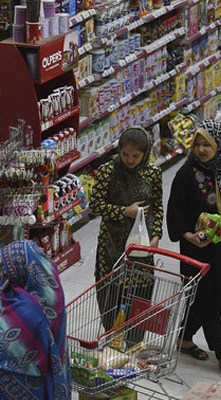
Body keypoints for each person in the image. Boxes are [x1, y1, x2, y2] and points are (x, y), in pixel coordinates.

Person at [166, 119, 221, 381]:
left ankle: (184, 338)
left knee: (208, 299)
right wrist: (189, 236)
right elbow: (175, 210)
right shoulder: (186, 173)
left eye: (207, 144)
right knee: (208, 300)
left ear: (218, 144)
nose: (201, 149)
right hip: (196, 249)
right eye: (197, 144)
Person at [0, 240, 71, 399]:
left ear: (21, 268)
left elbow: (11, 347)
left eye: (7, 270)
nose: (6, 275)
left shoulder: (29, 307)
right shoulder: (48, 291)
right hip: (47, 378)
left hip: (29, 385)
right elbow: (13, 325)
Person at [89, 127, 163, 332]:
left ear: (145, 153)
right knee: (111, 292)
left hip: (142, 244)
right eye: (125, 155)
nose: (130, 160)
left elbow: (157, 206)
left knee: (140, 294)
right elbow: (95, 206)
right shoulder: (108, 171)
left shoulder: (153, 173)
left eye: (136, 156)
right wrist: (124, 211)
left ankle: (134, 343)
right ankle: (112, 336)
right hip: (111, 244)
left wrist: (156, 234)